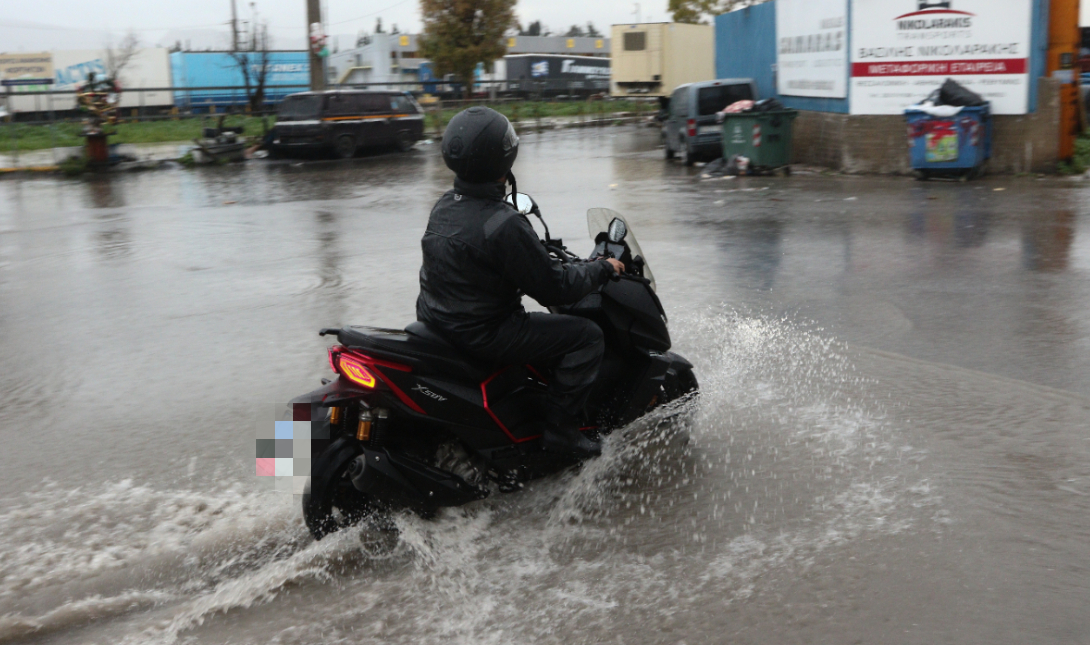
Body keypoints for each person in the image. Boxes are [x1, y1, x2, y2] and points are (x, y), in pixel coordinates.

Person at [416, 107, 623, 458]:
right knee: (587, 337)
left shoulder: (445, 205)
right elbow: (554, 288)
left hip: (437, 323)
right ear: (503, 159)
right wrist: (602, 268)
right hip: (485, 334)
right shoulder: (503, 224)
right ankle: (561, 433)